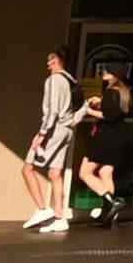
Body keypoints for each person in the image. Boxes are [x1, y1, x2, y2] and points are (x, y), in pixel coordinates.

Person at [21, 52, 85, 233]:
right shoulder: (71, 82)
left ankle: (42, 209)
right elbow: (83, 105)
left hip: (54, 129)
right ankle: (59, 217)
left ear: (59, 61)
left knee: (27, 168)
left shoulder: (54, 80)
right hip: (66, 130)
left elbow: (52, 110)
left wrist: (42, 134)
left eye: (51, 59)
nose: (48, 63)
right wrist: (73, 122)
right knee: (55, 173)